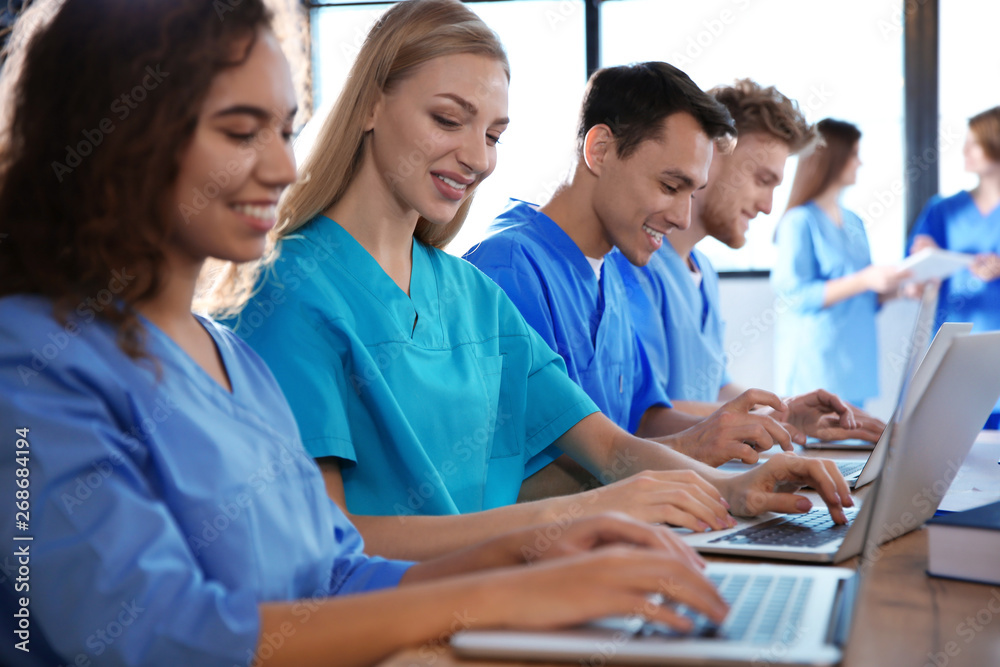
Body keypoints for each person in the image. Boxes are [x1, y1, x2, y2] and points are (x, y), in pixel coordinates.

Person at [0, 1, 733, 665]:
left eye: (286, 130)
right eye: (240, 131)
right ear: (122, 131)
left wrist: (536, 551)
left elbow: (337, 571)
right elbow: (157, 635)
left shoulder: (230, 361)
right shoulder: (31, 365)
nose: (283, 165)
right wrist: (499, 592)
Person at [211, 2, 853, 562]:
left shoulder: (468, 294)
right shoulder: (293, 291)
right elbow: (326, 545)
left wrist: (741, 489)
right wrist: (565, 519)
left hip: (499, 595)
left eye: (492, 134)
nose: (478, 157)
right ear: (372, 104)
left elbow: (610, 447)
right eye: (447, 119)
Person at [464, 66, 865, 471]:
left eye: (692, 191)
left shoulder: (611, 269)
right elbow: (523, 471)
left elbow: (645, 417)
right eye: (671, 187)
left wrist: (776, 418)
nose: (683, 217)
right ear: (599, 150)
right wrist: (703, 457)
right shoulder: (509, 270)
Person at [610, 80, 885, 442]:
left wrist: (786, 411)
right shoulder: (633, 266)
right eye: (762, 179)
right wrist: (775, 420)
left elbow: (716, 389)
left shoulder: (703, 272)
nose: (768, 206)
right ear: (711, 154)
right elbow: (644, 412)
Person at [771, 119, 909, 408]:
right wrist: (864, 280)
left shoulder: (855, 222)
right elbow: (794, 296)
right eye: (854, 154)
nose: (860, 163)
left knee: (853, 448)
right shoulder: (799, 222)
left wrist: (899, 291)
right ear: (833, 158)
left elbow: (863, 299)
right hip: (817, 366)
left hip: (855, 367)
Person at [910, 105, 1000, 428]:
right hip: (956, 359)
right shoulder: (942, 211)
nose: (964, 151)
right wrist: (925, 262)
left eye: (974, 143)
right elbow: (911, 284)